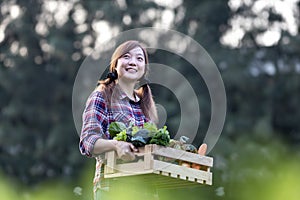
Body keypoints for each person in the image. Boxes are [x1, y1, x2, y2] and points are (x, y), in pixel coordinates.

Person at [79, 40, 158, 199]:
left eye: (139, 59)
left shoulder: (145, 105)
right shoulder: (102, 96)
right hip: (112, 189)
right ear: (115, 64)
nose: (133, 62)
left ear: (144, 70)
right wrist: (116, 145)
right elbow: (88, 141)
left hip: (146, 192)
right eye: (126, 57)